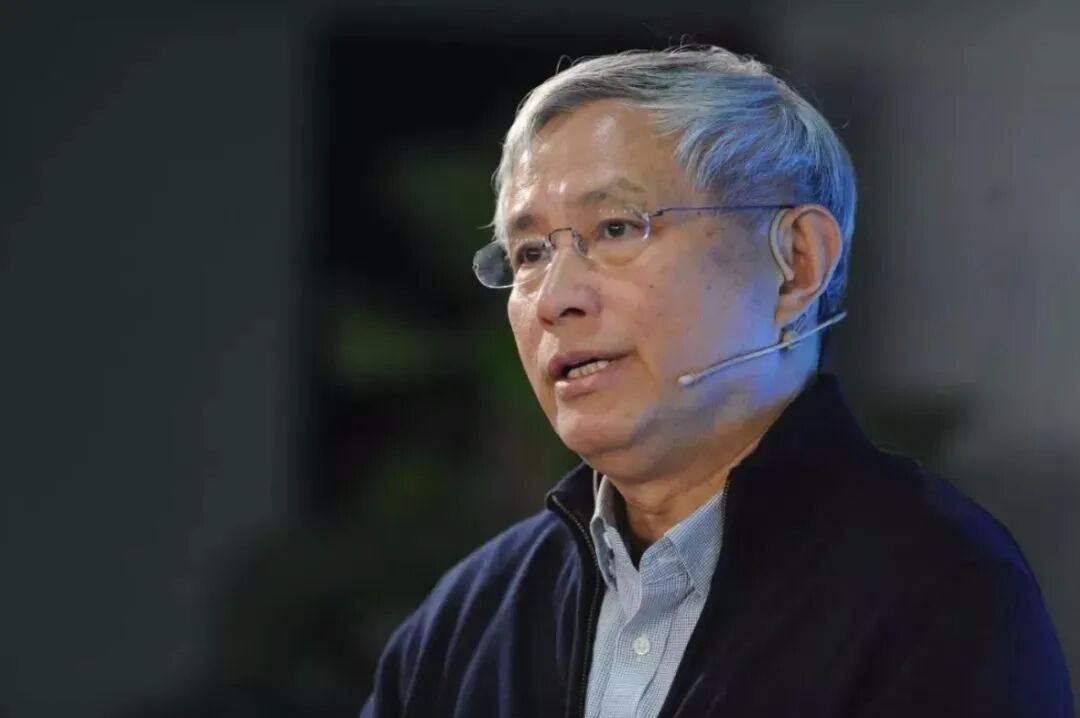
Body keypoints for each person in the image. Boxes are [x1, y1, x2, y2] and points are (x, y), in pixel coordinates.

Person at [358, 46, 1074, 717]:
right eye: (530, 253)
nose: (554, 299)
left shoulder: (935, 584)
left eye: (616, 228)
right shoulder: (471, 616)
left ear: (796, 262)